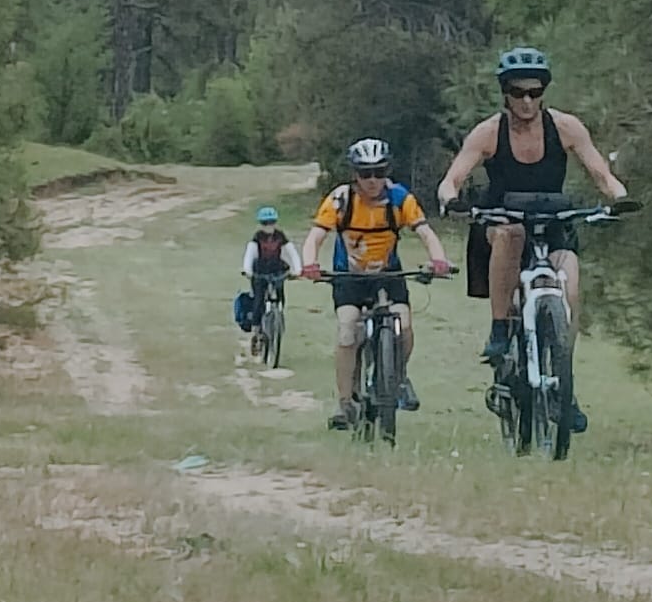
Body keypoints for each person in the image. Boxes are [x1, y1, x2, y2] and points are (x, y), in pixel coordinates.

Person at [434, 46, 628, 434]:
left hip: (554, 218)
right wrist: (450, 200)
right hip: (502, 217)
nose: (527, 100)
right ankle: (500, 328)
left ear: (544, 93)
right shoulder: (489, 133)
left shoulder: (567, 127)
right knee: (511, 235)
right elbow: (452, 179)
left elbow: (601, 174)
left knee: (569, 284)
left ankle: (562, 381)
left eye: (535, 92)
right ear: (505, 93)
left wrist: (619, 199)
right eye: (519, 92)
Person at [299, 138, 451, 431]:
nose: (372, 181)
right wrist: (310, 264)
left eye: (379, 173)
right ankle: (345, 403)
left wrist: (439, 260)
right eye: (365, 174)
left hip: (388, 275)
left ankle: (399, 377)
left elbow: (425, 232)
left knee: (404, 326)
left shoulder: (399, 199)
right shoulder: (340, 200)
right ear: (354, 174)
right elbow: (316, 236)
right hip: (349, 278)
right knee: (347, 330)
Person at [234, 206, 300, 337]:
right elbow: (250, 253)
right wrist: (247, 270)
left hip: (277, 270)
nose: (268, 226)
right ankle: (256, 329)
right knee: (258, 300)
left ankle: (278, 317)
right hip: (260, 271)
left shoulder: (280, 236)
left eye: (271, 223)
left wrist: (297, 269)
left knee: (280, 295)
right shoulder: (257, 237)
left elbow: (291, 251)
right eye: (265, 223)